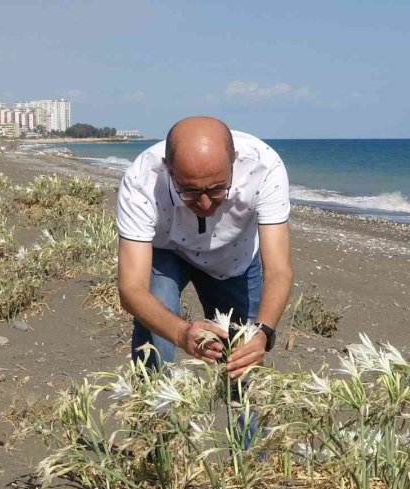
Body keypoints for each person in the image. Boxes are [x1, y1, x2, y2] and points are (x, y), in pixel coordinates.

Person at [117, 116, 293, 379]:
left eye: (217, 189)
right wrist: (181, 333)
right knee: (156, 343)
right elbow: (131, 288)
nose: (205, 204)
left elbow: (279, 269)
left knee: (242, 358)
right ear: (168, 168)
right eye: (188, 190)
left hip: (234, 256)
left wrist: (263, 332)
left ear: (235, 159)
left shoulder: (265, 168)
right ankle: (153, 410)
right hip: (166, 251)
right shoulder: (141, 180)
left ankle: (245, 419)